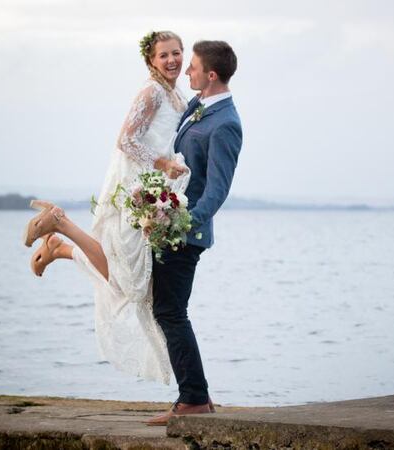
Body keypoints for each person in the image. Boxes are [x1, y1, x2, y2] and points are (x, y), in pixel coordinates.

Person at [23, 31, 190, 385]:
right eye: (164, 55)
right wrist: (162, 165)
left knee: (129, 273)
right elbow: (126, 139)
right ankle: (62, 228)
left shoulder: (176, 93)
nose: (172, 60)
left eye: (177, 53)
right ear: (151, 61)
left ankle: (61, 245)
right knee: (129, 277)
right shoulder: (151, 92)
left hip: (155, 185)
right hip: (135, 185)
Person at [144, 40, 242, 426]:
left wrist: (179, 225)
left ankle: (194, 400)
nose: (187, 71)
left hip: (186, 233)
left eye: (194, 67)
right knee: (167, 310)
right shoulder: (197, 107)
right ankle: (194, 396)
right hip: (170, 224)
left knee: (171, 311)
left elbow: (217, 191)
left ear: (211, 75)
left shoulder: (227, 123)